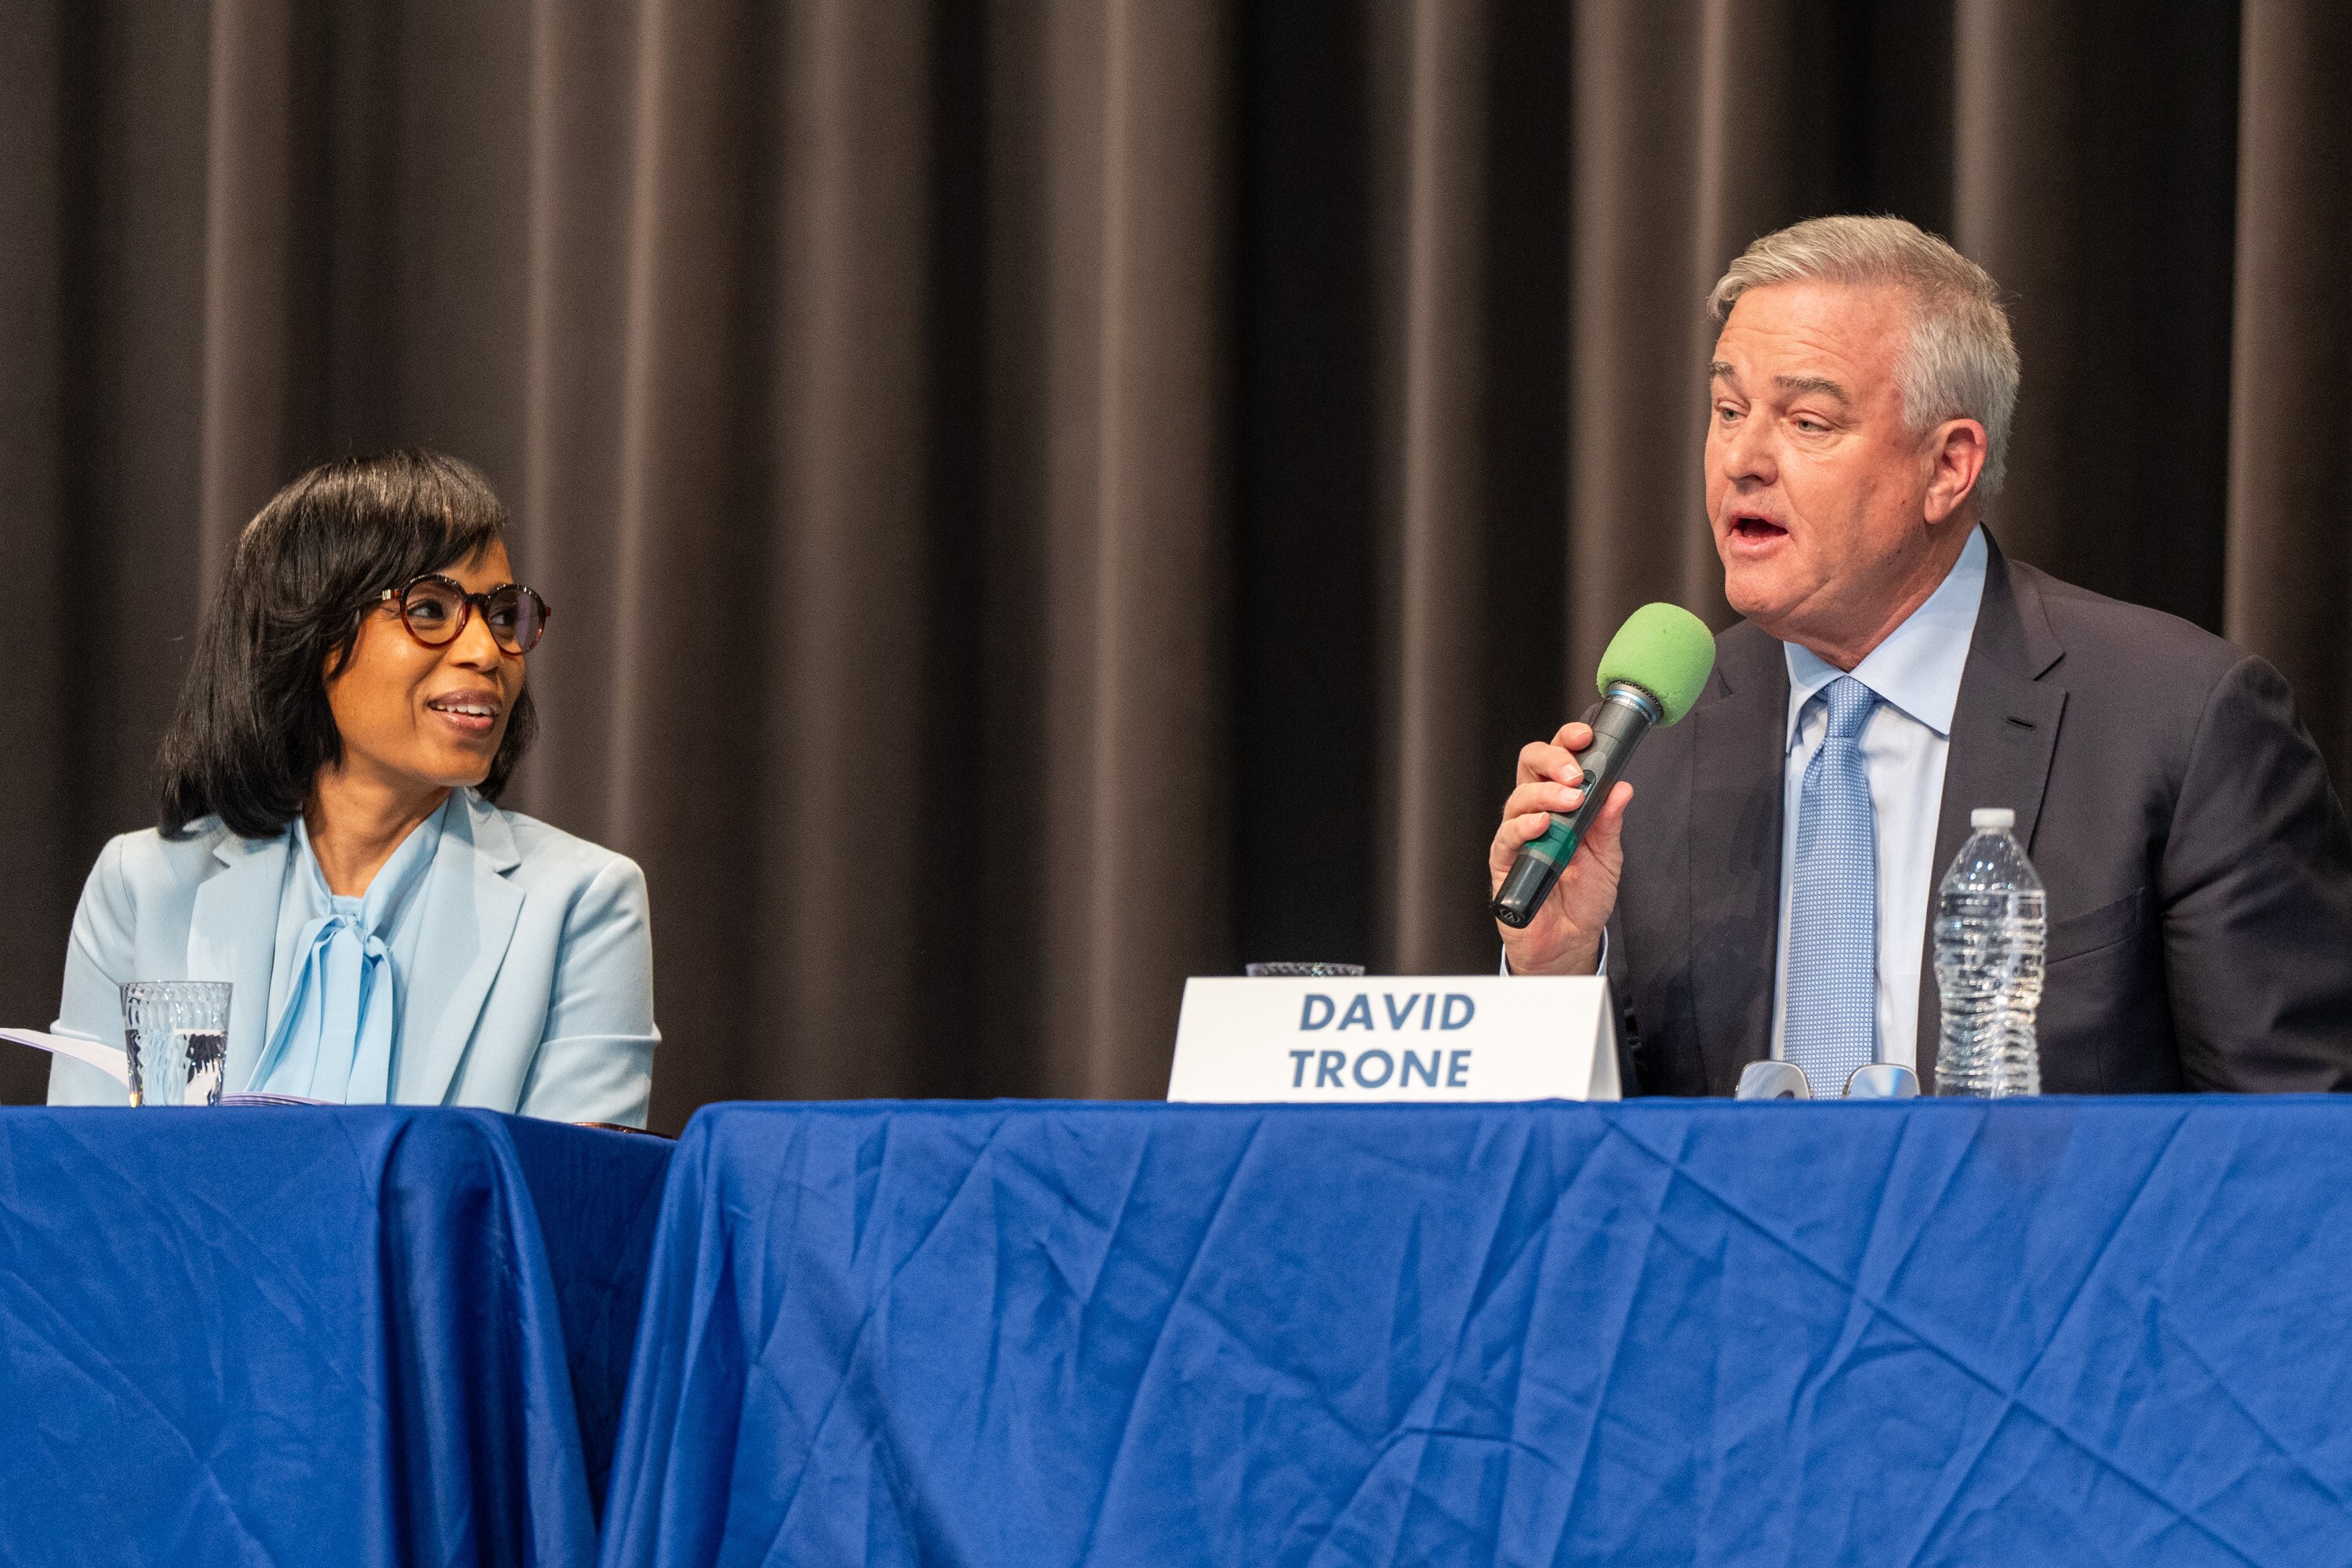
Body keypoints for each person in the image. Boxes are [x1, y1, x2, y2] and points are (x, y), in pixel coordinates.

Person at [1492, 215, 2352, 1095]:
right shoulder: (1653, 745)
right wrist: (1561, 975)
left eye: (1808, 419)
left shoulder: (2183, 724)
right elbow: (1593, 1182)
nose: (1743, 459)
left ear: (1948, 467)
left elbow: (2288, 1151)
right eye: (1727, 409)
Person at [46, 450, 659, 1124]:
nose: (488, 652)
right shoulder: (142, 887)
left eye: (504, 615)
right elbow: (86, 1189)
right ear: (307, 632)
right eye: (431, 609)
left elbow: (563, 1212)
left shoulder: (582, 903)